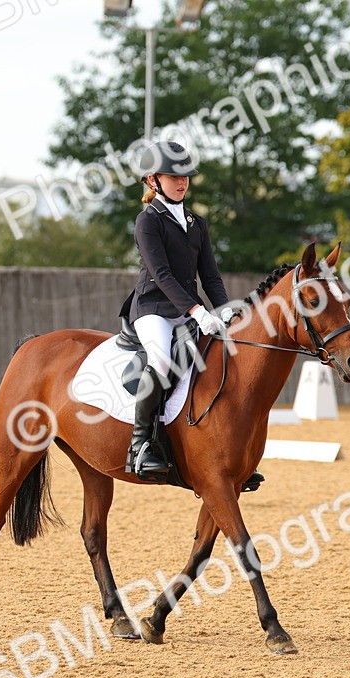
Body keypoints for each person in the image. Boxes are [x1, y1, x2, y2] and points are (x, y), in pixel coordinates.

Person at [122, 141, 235, 482]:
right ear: (153, 181)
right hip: (154, 308)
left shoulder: (196, 222)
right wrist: (198, 311)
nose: (182, 181)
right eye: (173, 176)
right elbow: (163, 275)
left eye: (185, 176)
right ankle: (140, 444)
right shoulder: (147, 221)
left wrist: (227, 310)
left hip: (190, 310)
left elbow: (210, 276)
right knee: (160, 362)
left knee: (219, 358)